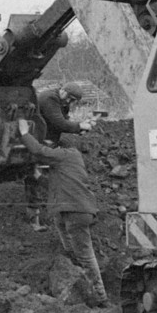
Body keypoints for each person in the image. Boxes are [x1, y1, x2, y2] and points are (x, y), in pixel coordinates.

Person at [18, 118, 108, 308]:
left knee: (85, 254)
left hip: (76, 210)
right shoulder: (66, 165)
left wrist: (24, 134)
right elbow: (54, 186)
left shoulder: (68, 155)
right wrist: (38, 176)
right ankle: (73, 267)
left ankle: (100, 296)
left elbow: (39, 151)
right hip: (68, 210)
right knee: (63, 233)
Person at [25, 82, 94, 232]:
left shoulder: (62, 101)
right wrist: (79, 127)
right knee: (35, 176)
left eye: (72, 101)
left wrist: (79, 126)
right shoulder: (49, 98)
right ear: (62, 90)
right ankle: (34, 218)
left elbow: (65, 119)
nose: (68, 102)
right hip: (38, 140)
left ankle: (63, 210)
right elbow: (60, 123)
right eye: (68, 97)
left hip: (49, 140)